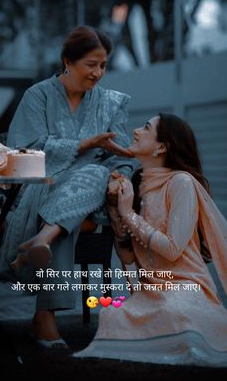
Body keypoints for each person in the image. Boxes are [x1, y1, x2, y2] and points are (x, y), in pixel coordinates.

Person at [0, 25, 136, 347]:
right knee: (65, 206)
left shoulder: (112, 103)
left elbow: (123, 154)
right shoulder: (38, 95)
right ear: (67, 62)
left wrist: (121, 174)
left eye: (103, 65)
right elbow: (24, 149)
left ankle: (44, 303)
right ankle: (43, 315)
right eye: (91, 64)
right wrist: (85, 144)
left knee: (96, 175)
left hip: (93, 188)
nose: (98, 73)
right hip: (43, 184)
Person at [73, 113, 227, 366]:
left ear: (162, 146)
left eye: (145, 128)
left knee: (176, 313)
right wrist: (115, 211)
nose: (135, 131)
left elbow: (172, 249)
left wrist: (127, 213)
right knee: (113, 315)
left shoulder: (181, 183)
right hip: (151, 289)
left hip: (186, 286)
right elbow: (128, 258)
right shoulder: (136, 183)